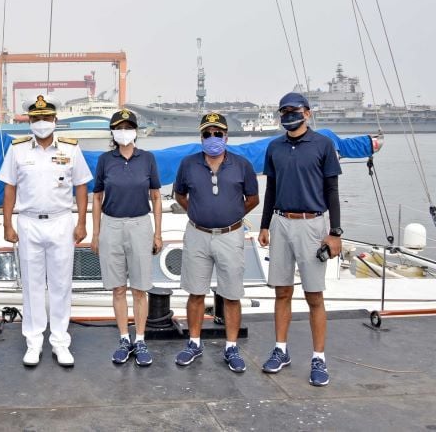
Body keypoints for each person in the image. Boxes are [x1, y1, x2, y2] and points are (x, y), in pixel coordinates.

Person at [0, 95, 93, 367]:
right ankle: (34, 341)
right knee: (32, 284)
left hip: (61, 221)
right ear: (29, 121)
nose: (41, 123)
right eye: (36, 119)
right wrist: (6, 223)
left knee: (61, 284)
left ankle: (61, 342)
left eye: (46, 118)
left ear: (55, 120)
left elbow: (82, 186)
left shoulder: (71, 149)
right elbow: (10, 188)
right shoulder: (17, 150)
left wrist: (82, 222)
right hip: (28, 221)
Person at [258, 92, 342, 387]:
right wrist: (265, 225)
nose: (288, 115)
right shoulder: (274, 147)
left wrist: (335, 233)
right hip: (281, 222)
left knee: (314, 296)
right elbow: (271, 188)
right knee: (281, 292)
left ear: (307, 113)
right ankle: (281, 350)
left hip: (312, 224)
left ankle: (319, 357)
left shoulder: (323, 145)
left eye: (293, 110)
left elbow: (332, 191)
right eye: (283, 111)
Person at [173, 113, 259, 373]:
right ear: (201, 137)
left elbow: (253, 199)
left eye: (217, 133)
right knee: (195, 292)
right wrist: (199, 212)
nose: (213, 138)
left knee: (231, 294)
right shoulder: (188, 164)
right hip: (197, 235)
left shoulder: (242, 165)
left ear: (226, 136)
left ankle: (231, 347)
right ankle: (194, 342)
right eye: (207, 134)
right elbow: (180, 195)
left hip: (230, 236)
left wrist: (231, 215)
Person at [91, 109, 163, 367]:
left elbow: (156, 196)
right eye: (119, 127)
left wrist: (158, 232)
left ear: (135, 130)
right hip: (111, 225)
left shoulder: (148, 159)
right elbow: (97, 197)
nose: (124, 131)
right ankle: (124, 338)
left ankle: (140, 339)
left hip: (140, 224)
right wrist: (96, 233)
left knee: (140, 288)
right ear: (112, 132)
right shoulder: (104, 160)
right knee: (118, 287)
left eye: (128, 126)